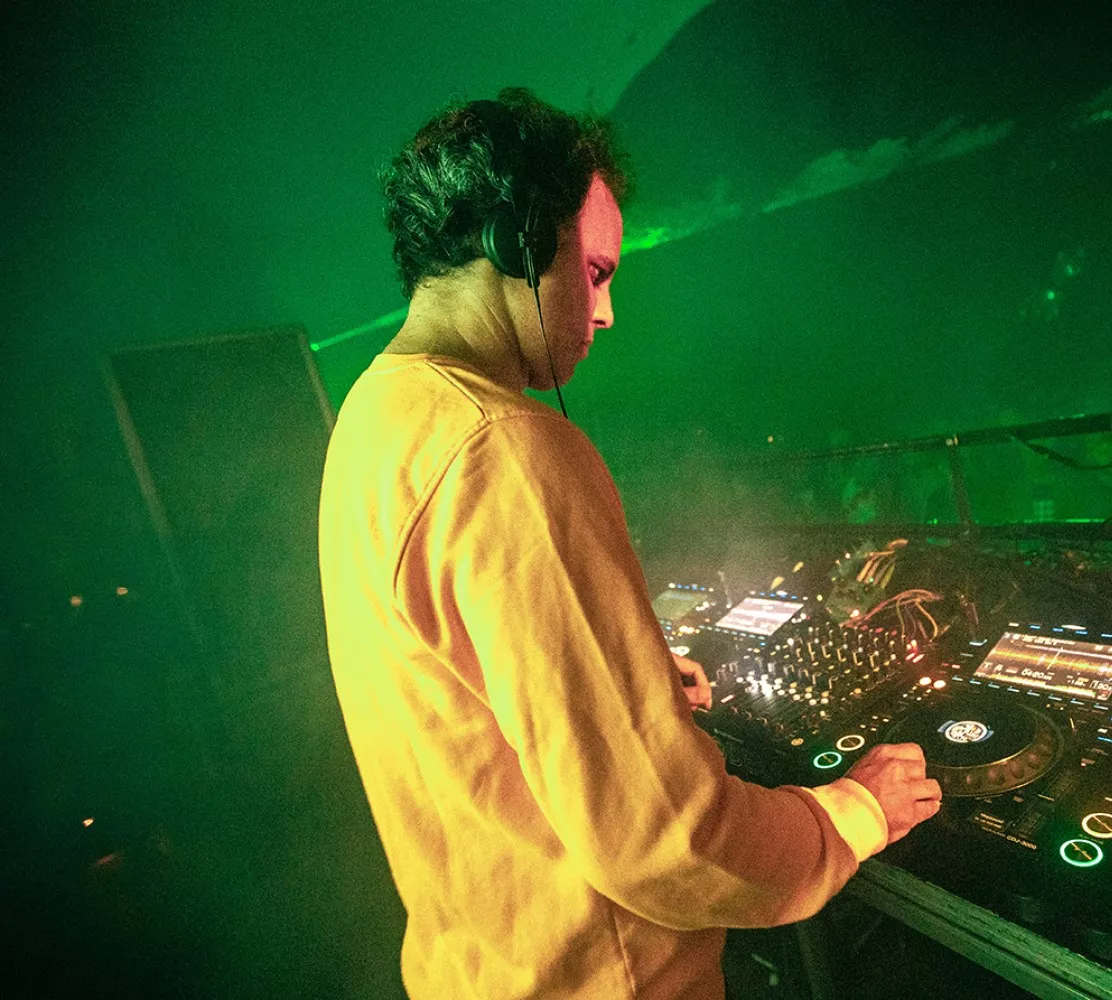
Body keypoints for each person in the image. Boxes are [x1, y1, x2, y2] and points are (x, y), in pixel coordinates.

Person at [318, 89, 941, 1000]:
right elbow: (666, 843)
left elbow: (466, 685)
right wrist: (852, 813)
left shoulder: (377, 413)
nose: (606, 312)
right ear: (514, 245)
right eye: (596, 271)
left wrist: (628, 683)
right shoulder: (506, 447)